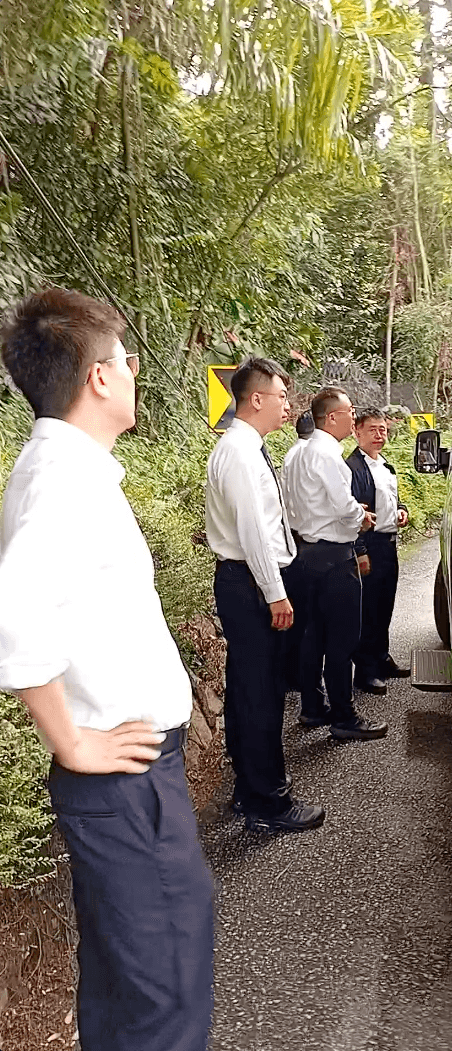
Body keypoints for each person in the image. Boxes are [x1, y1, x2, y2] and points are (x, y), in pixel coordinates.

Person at [0, 288, 214, 1051]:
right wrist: (74, 743)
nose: (132, 372)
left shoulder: (67, 470)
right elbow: (14, 618)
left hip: (126, 782)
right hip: (122, 780)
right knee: (164, 991)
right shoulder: (65, 481)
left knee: (129, 985)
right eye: (125, 359)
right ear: (97, 378)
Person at [206, 357, 325, 833]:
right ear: (256, 399)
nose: (287, 406)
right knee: (260, 695)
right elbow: (253, 531)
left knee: (250, 690)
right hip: (250, 581)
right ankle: (268, 801)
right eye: (280, 396)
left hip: (250, 579)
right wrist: (275, 594)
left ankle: (250, 788)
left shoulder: (246, 447)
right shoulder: (238, 451)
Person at [287, 386, 388, 740]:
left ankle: (313, 707)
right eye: (349, 411)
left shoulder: (298, 452)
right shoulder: (328, 454)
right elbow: (344, 505)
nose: (353, 416)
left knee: (313, 635)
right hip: (333, 554)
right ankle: (344, 716)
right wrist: (359, 517)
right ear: (332, 417)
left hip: (306, 552)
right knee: (343, 639)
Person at [346, 406, 410, 695]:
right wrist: (360, 551)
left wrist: (401, 511)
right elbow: (351, 513)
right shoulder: (352, 468)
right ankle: (365, 670)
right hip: (368, 544)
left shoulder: (386, 466)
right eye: (372, 429)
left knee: (385, 604)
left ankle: (381, 658)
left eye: (383, 429)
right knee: (367, 609)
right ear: (356, 431)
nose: (379, 434)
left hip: (389, 543)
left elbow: (394, 501)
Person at [280, 410, 315, 691]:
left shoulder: (292, 453)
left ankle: (292, 672)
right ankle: (300, 677)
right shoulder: (311, 455)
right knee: (307, 618)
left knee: (299, 616)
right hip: (307, 539)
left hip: (293, 536)